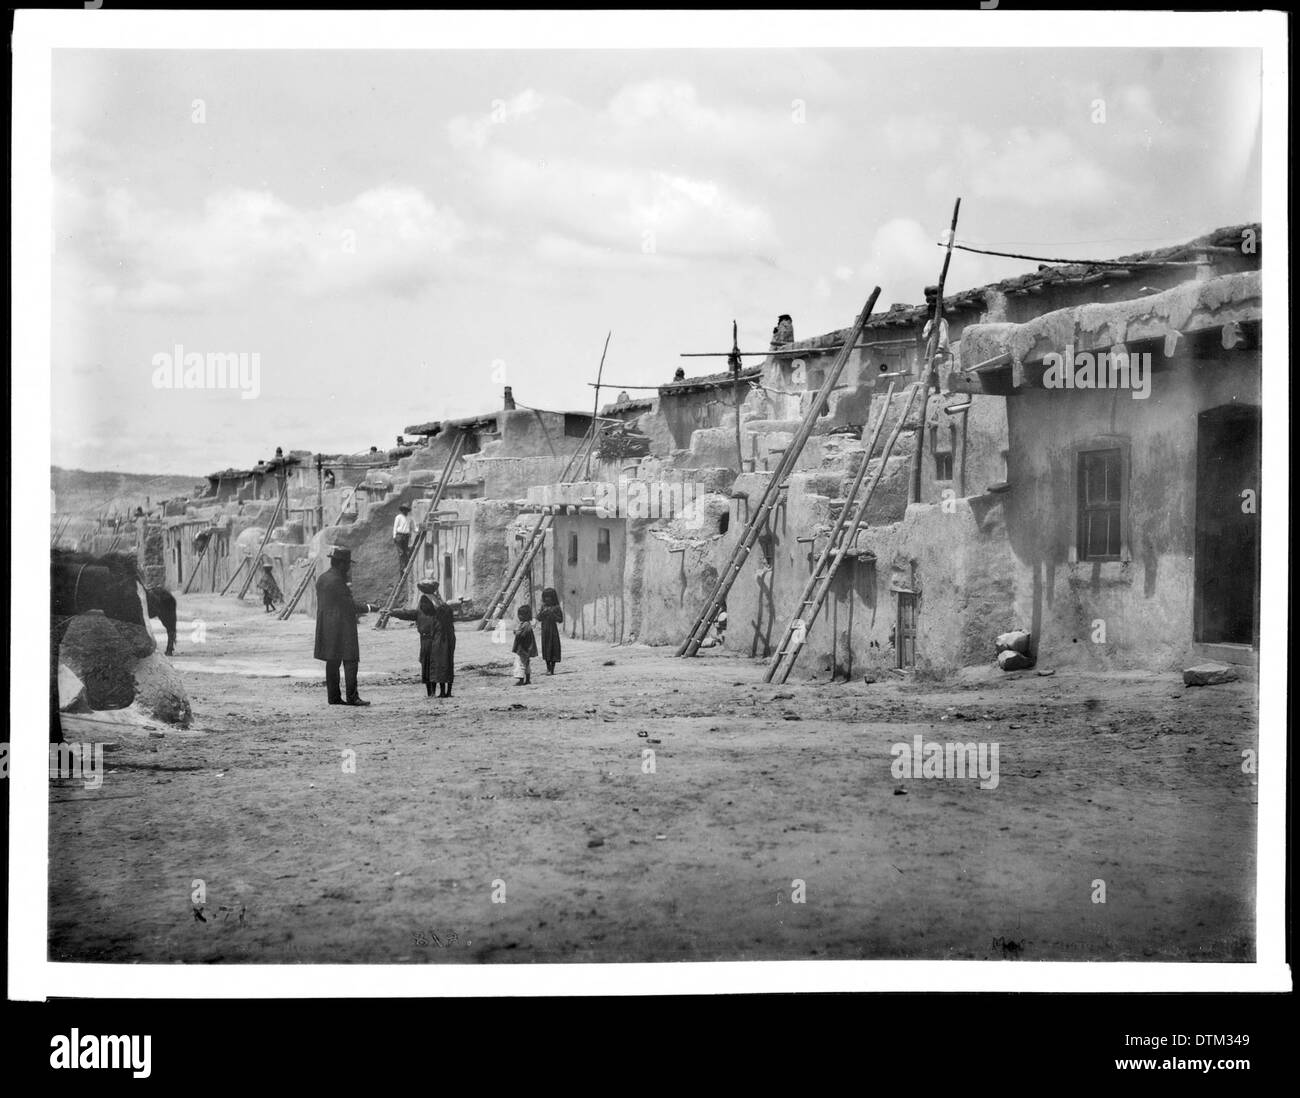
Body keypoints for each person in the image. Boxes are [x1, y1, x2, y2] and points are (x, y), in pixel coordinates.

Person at [314, 546, 370, 706]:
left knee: (332, 662)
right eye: (347, 564)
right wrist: (369, 608)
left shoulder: (323, 578)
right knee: (350, 660)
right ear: (340, 564)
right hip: (342, 627)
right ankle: (352, 697)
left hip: (327, 627)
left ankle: (334, 697)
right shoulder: (337, 581)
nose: (348, 567)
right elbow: (349, 605)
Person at [389, 579, 457, 698]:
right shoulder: (427, 604)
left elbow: (444, 617)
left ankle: (439, 692)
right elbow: (412, 614)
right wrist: (394, 613)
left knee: (437, 665)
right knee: (428, 666)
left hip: (436, 639)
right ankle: (431, 692)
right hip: (427, 639)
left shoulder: (438, 606)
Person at [537, 587, 564, 675]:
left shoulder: (556, 608)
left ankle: (552, 669)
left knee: (553, 649)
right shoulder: (543, 607)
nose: (547, 599)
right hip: (545, 632)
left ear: (553, 597)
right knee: (546, 649)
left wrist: (553, 615)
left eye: (549, 597)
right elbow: (538, 618)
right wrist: (542, 613)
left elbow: (560, 620)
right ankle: (548, 668)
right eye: (545, 597)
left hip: (553, 631)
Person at [512, 604, 538, 685]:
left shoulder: (525, 625)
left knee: (520, 663)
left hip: (523, 648)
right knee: (526, 664)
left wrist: (516, 632)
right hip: (526, 648)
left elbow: (522, 634)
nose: (519, 616)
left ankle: (521, 680)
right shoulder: (525, 624)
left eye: (521, 615)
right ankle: (528, 680)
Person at [392, 504, 414, 572]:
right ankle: (402, 568)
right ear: (402, 510)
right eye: (404, 510)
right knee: (401, 553)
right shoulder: (398, 517)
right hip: (399, 536)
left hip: (406, 536)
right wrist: (394, 536)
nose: (405, 511)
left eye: (406, 510)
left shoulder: (410, 518)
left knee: (406, 552)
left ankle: (406, 566)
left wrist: (418, 530)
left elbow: (413, 527)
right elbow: (395, 527)